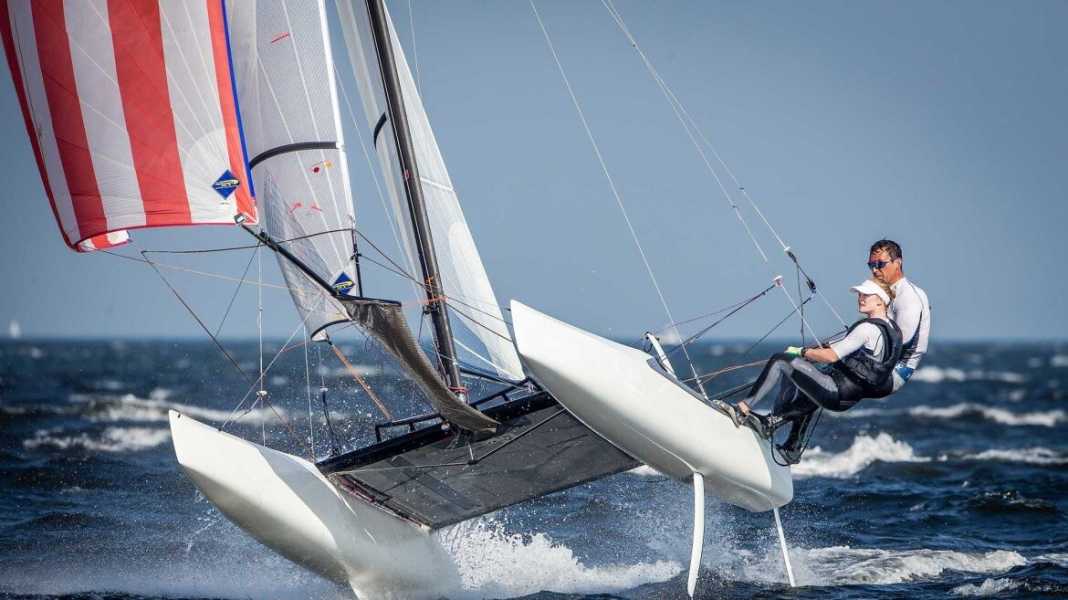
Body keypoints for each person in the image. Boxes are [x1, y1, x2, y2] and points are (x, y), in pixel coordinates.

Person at [716, 279, 903, 464]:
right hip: (849, 397)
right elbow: (857, 352)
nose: (860, 298)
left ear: (880, 300)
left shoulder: (867, 328)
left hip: (837, 391)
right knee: (808, 382)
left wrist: (802, 351)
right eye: (860, 294)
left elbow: (831, 356)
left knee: (781, 360)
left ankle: (743, 411)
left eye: (866, 295)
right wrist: (814, 352)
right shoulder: (892, 329)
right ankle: (792, 447)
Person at [867, 239, 931, 391]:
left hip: (895, 373)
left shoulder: (908, 296)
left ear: (898, 263)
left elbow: (901, 341)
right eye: (871, 265)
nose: (875, 270)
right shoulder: (884, 293)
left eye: (880, 264)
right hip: (878, 363)